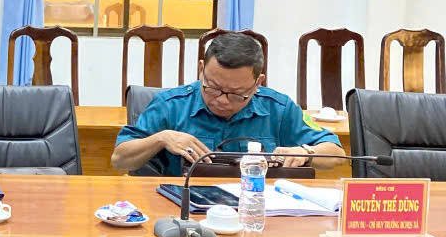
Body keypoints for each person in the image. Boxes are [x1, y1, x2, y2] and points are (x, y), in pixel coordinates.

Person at [111, 32, 344, 176]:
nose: (221, 100)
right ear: (201, 69)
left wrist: (306, 152)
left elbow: (336, 152)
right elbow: (119, 159)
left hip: (255, 210)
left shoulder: (279, 108)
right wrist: (161, 138)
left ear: (258, 83)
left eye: (236, 93)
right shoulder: (170, 105)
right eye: (212, 87)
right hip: (182, 209)